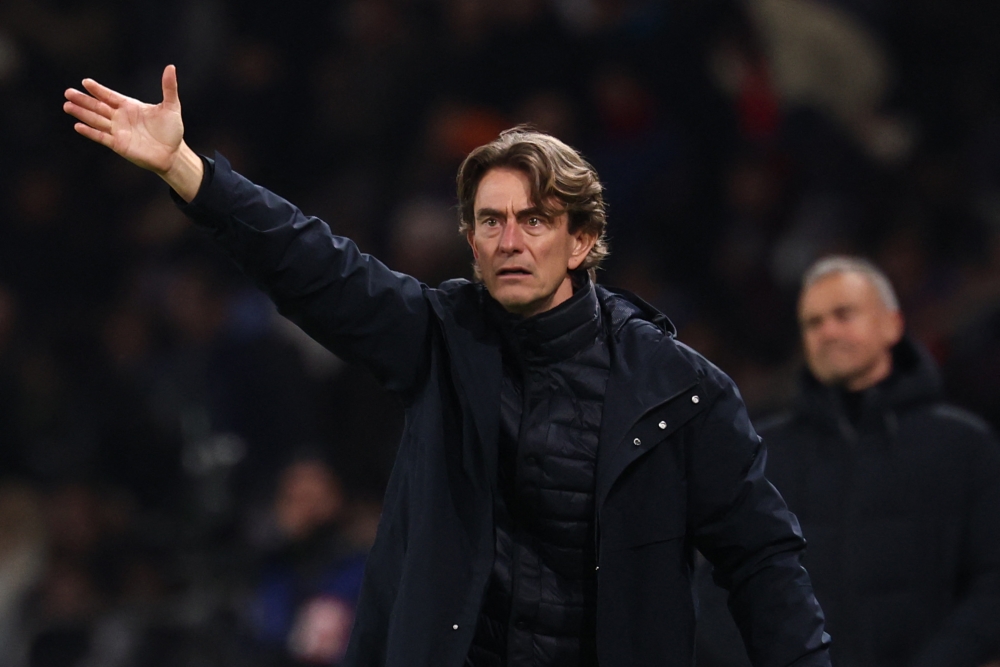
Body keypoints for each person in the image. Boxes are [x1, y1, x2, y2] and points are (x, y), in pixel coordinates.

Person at [63, 65, 831, 667]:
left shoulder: (681, 389)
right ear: (469, 238)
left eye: (535, 220)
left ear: (583, 240)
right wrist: (190, 172)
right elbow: (314, 264)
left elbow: (763, 560)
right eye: (490, 221)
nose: (509, 240)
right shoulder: (440, 335)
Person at [696, 256, 1000, 667]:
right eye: (813, 323)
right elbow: (716, 592)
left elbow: (991, 583)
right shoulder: (762, 455)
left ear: (892, 324)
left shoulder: (963, 444)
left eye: (844, 314)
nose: (828, 332)